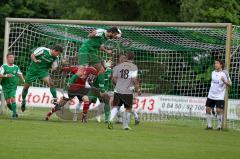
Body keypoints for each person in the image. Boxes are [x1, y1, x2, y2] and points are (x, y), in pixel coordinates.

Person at [21, 44, 63, 112]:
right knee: (25, 88)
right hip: (32, 71)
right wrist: (35, 60)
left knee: (51, 83)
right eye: (57, 53)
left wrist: (54, 69)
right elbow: (32, 55)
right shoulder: (43, 50)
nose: (58, 55)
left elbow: (54, 67)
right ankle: (23, 101)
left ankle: (55, 101)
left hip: (43, 72)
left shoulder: (56, 58)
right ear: (54, 50)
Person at [108, 53, 141, 130]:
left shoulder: (117, 67)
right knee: (128, 108)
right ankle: (125, 126)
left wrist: (119, 84)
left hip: (118, 90)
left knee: (116, 107)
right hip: (127, 91)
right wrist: (138, 89)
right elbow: (134, 79)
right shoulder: (134, 67)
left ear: (126, 58)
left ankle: (110, 121)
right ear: (133, 58)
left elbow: (113, 78)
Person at [205, 59, 231, 130]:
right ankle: (209, 126)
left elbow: (230, 84)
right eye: (215, 63)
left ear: (221, 65)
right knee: (207, 109)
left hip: (220, 95)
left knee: (218, 111)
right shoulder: (213, 72)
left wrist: (224, 81)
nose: (215, 64)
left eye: (217, 63)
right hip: (211, 94)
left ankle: (219, 127)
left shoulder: (225, 73)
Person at [0, 53, 25, 118]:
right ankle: (15, 112)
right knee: (8, 102)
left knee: (12, 98)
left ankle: (14, 115)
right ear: (7, 58)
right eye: (10, 57)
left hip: (13, 86)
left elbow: (20, 74)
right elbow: (0, 75)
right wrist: (6, 75)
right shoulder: (3, 66)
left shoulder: (16, 67)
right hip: (5, 86)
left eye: (13, 57)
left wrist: (24, 81)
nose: (12, 59)